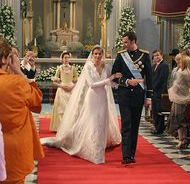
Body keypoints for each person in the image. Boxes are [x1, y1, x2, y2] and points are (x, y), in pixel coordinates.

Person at [41, 45, 121, 164]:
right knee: (93, 122)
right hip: (92, 97)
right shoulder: (88, 67)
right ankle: (94, 151)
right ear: (92, 55)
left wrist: (119, 83)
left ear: (103, 55)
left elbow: (111, 82)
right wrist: (110, 79)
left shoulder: (106, 67)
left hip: (103, 98)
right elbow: (92, 84)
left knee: (102, 122)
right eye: (96, 54)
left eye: (100, 54)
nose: (98, 56)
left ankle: (99, 146)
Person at [0, 37, 44, 184]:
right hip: (12, 150)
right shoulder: (16, 83)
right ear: (6, 59)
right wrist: (18, 70)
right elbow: (36, 100)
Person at [112, 31, 152, 164]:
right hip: (124, 95)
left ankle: (131, 154)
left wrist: (149, 97)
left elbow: (149, 78)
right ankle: (126, 155)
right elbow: (114, 76)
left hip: (138, 96)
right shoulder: (121, 56)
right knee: (126, 124)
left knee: (135, 126)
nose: (123, 44)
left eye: (125, 42)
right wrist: (127, 81)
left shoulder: (144, 56)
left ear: (133, 41)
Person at [167, 55, 190, 149]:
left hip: (180, 99)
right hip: (184, 98)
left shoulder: (182, 73)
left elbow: (176, 84)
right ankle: (183, 139)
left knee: (179, 120)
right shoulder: (189, 71)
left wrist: (171, 90)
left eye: (180, 62)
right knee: (182, 120)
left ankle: (182, 139)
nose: (179, 63)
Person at [50, 51, 78, 131]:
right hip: (62, 91)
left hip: (71, 90)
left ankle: (70, 127)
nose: (66, 59)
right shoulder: (59, 68)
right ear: (62, 59)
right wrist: (61, 86)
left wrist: (72, 86)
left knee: (71, 109)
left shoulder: (73, 68)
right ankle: (61, 128)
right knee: (61, 109)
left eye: (68, 57)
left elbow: (77, 81)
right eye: (65, 58)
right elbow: (54, 81)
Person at [151, 49, 169, 135]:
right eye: (155, 56)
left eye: (158, 55)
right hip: (154, 91)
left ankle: (160, 129)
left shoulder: (164, 65)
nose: (156, 57)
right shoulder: (154, 66)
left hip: (160, 91)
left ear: (162, 55)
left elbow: (162, 79)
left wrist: (153, 87)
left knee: (159, 110)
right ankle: (156, 127)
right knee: (155, 110)